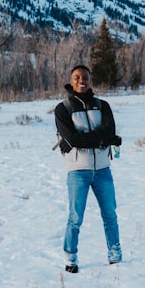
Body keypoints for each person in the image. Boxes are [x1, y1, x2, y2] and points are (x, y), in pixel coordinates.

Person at [54, 64, 123, 273]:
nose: (81, 80)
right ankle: (70, 258)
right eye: (76, 77)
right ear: (70, 80)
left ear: (90, 80)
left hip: (103, 169)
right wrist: (100, 139)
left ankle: (115, 255)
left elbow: (110, 132)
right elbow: (73, 138)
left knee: (110, 214)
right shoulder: (63, 108)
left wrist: (85, 139)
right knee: (75, 217)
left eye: (85, 77)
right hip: (78, 171)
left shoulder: (103, 106)